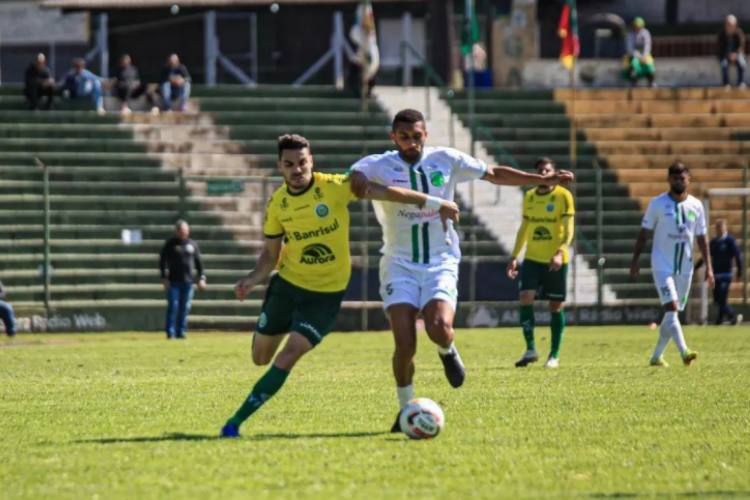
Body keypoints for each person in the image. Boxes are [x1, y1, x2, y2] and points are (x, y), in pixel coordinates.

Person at [348, 109, 574, 432]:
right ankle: (405, 411)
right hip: (398, 263)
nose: (410, 142)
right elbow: (355, 177)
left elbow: (493, 173)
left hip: (441, 259)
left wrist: (540, 180)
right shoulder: (378, 165)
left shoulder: (446, 159)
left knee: (439, 326)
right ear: (393, 138)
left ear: (425, 135)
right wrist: (355, 177)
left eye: (416, 136)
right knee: (405, 342)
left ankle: (447, 349)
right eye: (403, 136)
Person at [220, 134, 460, 438]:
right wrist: (252, 280)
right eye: (289, 164)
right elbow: (270, 254)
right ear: (280, 166)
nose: (297, 169)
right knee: (260, 358)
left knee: (289, 354)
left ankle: (234, 422)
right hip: (286, 287)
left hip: (324, 297)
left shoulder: (334, 187)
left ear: (311, 162)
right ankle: (269, 330)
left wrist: (436, 202)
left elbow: (388, 193)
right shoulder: (278, 204)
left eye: (302, 162)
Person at [630, 162, 713, 368]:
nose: (678, 180)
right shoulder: (657, 204)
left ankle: (657, 356)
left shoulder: (696, 205)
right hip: (662, 264)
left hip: (685, 267)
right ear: (669, 179)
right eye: (675, 177)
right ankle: (684, 351)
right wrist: (635, 260)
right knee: (672, 306)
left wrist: (709, 267)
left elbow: (702, 238)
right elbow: (644, 234)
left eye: (682, 177)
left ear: (688, 179)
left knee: (672, 314)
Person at [507, 157, 575, 369]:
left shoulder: (563, 196)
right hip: (532, 259)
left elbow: (569, 229)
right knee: (525, 297)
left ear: (554, 173)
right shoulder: (529, 197)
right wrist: (514, 256)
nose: (544, 174)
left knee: (555, 305)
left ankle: (554, 355)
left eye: (547, 171)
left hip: (555, 260)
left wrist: (559, 252)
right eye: (540, 171)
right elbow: (524, 228)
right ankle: (530, 349)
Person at [159, 220, 206, 340]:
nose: (182, 232)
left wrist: (201, 278)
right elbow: (162, 261)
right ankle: (170, 332)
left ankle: (181, 331)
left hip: (188, 282)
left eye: (185, 229)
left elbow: (199, 263)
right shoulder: (170, 244)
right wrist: (164, 277)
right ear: (176, 231)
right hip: (173, 282)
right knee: (173, 306)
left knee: (185, 307)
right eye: (180, 230)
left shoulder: (192, 244)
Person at [695, 219, 743, 325]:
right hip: (716, 275)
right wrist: (696, 266)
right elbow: (706, 256)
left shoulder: (730, 240)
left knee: (721, 298)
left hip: (726, 275)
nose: (719, 230)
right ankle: (720, 320)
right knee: (718, 300)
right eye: (717, 228)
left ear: (725, 228)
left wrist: (739, 271)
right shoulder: (713, 242)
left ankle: (732, 316)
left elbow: (738, 256)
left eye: (721, 227)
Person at [622, 17, 656, 88]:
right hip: (632, 55)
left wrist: (643, 56)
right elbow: (629, 47)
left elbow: (647, 45)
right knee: (633, 66)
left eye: (639, 27)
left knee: (649, 66)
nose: (637, 28)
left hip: (644, 55)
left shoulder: (646, 33)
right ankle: (633, 83)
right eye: (636, 26)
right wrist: (636, 56)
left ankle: (651, 82)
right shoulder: (630, 34)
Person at [718, 15, 746, 89]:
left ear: (735, 25)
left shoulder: (738, 33)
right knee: (724, 64)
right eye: (728, 24)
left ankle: (741, 82)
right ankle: (726, 83)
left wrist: (736, 54)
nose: (729, 26)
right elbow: (720, 47)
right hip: (725, 54)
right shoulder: (722, 34)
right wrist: (728, 55)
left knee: (742, 63)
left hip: (737, 54)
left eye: (731, 25)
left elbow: (741, 45)